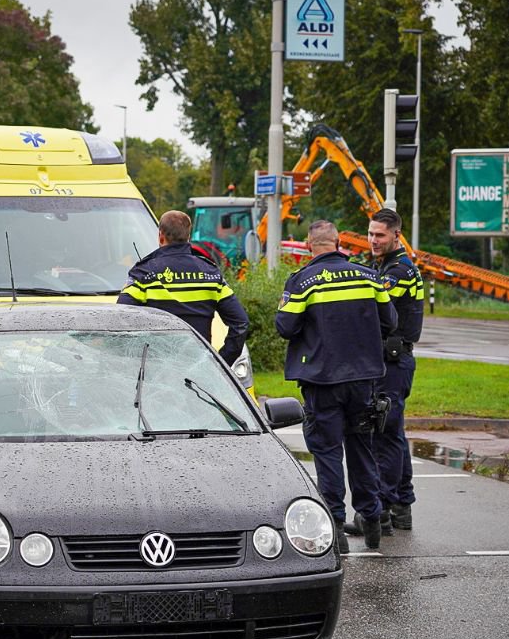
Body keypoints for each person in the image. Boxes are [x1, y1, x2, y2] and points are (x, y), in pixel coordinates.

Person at [276, 220, 397, 551]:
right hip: (363, 379)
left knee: (328, 451)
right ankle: (371, 520)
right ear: (339, 242)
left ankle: (337, 529)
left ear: (309, 245)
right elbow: (391, 321)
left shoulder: (303, 281)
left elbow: (285, 326)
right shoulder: (369, 277)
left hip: (323, 380)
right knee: (361, 448)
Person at [118, 209, 249, 365]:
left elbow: (120, 318)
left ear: (161, 236)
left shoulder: (144, 273)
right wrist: (220, 364)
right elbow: (240, 323)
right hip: (200, 369)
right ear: (188, 237)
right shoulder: (211, 273)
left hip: (157, 369)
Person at [367, 207, 424, 535]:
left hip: (393, 363)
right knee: (393, 435)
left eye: (380, 235)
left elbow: (375, 307)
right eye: (371, 233)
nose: (373, 240)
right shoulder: (385, 265)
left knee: (385, 435)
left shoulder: (398, 270)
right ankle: (402, 506)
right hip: (391, 361)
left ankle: (382, 510)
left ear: (396, 236)